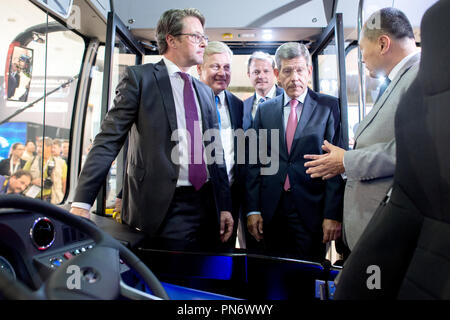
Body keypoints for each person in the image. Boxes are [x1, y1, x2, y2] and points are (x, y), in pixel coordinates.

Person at [70, 8, 233, 252]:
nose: (203, 43)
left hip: (207, 204)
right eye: (195, 36)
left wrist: (224, 205)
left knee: (203, 278)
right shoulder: (140, 79)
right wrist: (81, 202)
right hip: (164, 205)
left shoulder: (205, 91)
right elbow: (108, 140)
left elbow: (214, 152)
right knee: (164, 281)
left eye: (204, 38)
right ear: (171, 39)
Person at [304, 7, 421, 251]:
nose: (361, 58)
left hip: (390, 228)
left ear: (382, 44)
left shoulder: (420, 79)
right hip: (373, 227)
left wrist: (348, 160)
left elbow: (411, 153)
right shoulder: (393, 83)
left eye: (361, 48)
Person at [246, 42, 345, 261]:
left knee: (307, 277)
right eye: (287, 71)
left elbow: (336, 166)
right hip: (271, 210)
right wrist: (252, 209)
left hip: (311, 211)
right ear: (277, 74)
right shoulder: (265, 110)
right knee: (272, 278)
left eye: (300, 70)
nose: (294, 77)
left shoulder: (329, 107)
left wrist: (332, 214)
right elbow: (254, 162)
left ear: (309, 72)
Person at [197, 41, 244, 250]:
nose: (222, 73)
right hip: (195, 199)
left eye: (227, 67)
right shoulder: (184, 101)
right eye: (215, 66)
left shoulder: (238, 105)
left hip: (229, 198)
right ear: (200, 68)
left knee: (223, 261)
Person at [243, 51, 283, 131]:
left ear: (275, 73)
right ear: (249, 75)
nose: (261, 76)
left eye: (266, 71)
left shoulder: (289, 99)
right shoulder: (244, 106)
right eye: (256, 72)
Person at [23, 137, 67, 204]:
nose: (38, 149)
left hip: (53, 199)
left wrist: (64, 200)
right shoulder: (31, 161)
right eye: (37, 146)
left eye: (41, 146)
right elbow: (22, 178)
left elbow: (64, 183)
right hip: (33, 198)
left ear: (50, 147)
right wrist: (32, 181)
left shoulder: (61, 163)